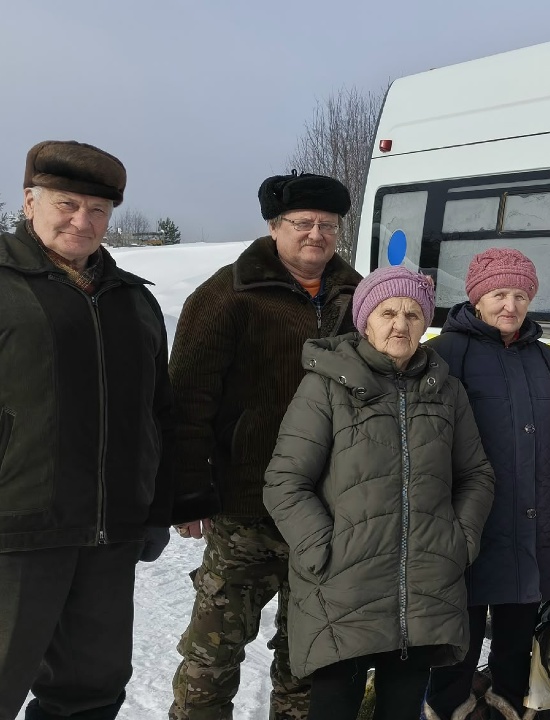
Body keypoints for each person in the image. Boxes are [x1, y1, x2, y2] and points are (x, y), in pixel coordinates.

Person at [168, 173, 363, 720]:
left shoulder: (358, 295)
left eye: (327, 225)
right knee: (213, 652)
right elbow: (187, 400)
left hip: (326, 511)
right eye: (302, 223)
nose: (316, 235)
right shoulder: (227, 295)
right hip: (244, 508)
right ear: (274, 226)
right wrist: (189, 493)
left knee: (306, 656)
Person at [263, 265, 496, 720]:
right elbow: (285, 482)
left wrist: (460, 540)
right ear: (365, 319)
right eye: (388, 312)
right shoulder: (326, 387)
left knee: (401, 712)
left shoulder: (446, 391)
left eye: (412, 314)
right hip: (343, 586)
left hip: (425, 584)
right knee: (333, 711)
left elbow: (477, 474)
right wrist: (323, 550)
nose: (400, 324)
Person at [0, 140, 180, 719]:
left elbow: (159, 414)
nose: (83, 220)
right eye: (67, 203)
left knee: (90, 692)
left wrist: (156, 509)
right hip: (16, 529)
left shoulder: (132, 302)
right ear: (30, 202)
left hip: (108, 535)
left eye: (99, 210)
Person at [423, 248, 550, 720]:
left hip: (538, 531)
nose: (510, 305)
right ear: (477, 298)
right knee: (454, 647)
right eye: (498, 294)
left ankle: (512, 711)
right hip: (467, 530)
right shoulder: (442, 354)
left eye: (520, 294)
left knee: (520, 655)